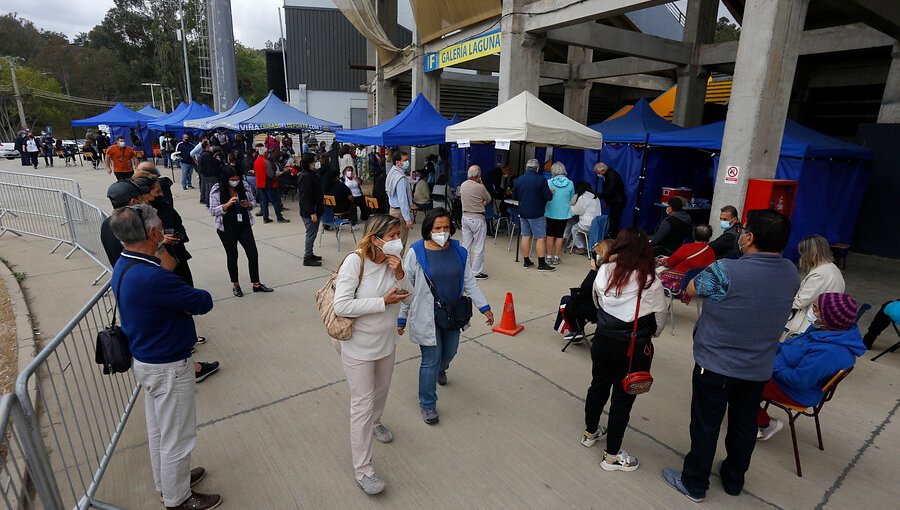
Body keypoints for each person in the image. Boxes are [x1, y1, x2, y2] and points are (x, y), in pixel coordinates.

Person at [662, 209, 800, 503]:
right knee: (744, 424)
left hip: (715, 364)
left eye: (743, 230)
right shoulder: (790, 272)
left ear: (749, 238)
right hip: (758, 366)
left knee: (706, 423)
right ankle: (734, 478)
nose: (739, 234)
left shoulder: (727, 269)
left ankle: (694, 482)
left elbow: (691, 288)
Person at [107, 204, 221, 510]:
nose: (163, 230)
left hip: (148, 360)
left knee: (160, 431)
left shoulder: (125, 263)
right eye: (160, 226)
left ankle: (169, 482)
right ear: (154, 233)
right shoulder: (153, 276)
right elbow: (202, 301)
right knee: (178, 438)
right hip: (168, 366)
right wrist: (169, 273)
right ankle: (177, 498)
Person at [332, 215, 412, 495]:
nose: (396, 241)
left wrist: (401, 274)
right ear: (375, 238)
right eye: (390, 236)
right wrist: (382, 302)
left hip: (386, 342)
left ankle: (377, 421)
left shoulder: (395, 263)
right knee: (362, 405)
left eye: (397, 235)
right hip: (358, 347)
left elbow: (412, 298)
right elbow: (342, 306)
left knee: (382, 391)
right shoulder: (356, 261)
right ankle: (364, 470)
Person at [581, 228, 666, 472]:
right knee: (622, 400)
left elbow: (597, 299)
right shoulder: (649, 281)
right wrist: (652, 334)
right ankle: (612, 455)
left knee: (598, 385)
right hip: (631, 348)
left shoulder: (605, 269)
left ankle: (590, 432)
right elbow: (659, 317)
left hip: (603, 339)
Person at [399, 208, 493, 425]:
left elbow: (469, 281)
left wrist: (484, 306)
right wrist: (401, 318)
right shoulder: (416, 252)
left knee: (450, 351)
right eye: (437, 228)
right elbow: (406, 288)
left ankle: (442, 369)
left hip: (452, 314)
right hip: (426, 315)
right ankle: (428, 403)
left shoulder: (459, 251)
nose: (442, 231)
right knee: (430, 360)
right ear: (428, 229)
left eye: (445, 227)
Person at [757, 292, 866, 441]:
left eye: (815, 308)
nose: (811, 311)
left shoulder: (830, 351)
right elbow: (791, 346)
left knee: (738, 382)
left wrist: (769, 363)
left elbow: (798, 381)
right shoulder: (823, 330)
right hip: (780, 373)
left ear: (829, 318)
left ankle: (764, 424)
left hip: (794, 390)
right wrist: (767, 346)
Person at [208, 167, 274, 297]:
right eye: (232, 180)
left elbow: (254, 202)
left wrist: (248, 205)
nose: (235, 182)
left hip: (244, 225)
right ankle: (236, 284)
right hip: (226, 227)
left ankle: (256, 283)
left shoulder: (244, 186)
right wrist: (226, 205)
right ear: (226, 179)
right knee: (232, 256)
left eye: (237, 179)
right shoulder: (217, 189)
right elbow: (212, 210)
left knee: (253, 254)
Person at [784, 234, 845, 337]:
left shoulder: (820, 274)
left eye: (802, 253)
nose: (801, 257)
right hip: (824, 319)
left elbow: (799, 302)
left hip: (809, 325)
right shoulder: (832, 268)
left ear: (811, 254)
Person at [560, 240, 613, 344]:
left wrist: (593, 270)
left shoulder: (596, 276)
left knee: (567, 301)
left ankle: (576, 330)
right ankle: (598, 333)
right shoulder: (617, 272)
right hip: (610, 312)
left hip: (596, 311)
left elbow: (584, 292)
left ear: (598, 259)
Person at [513, 158, 554, 271]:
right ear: (537, 168)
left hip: (522, 211)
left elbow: (514, 196)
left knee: (526, 236)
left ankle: (526, 261)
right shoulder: (541, 180)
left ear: (526, 168)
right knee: (540, 237)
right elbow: (548, 197)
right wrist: (550, 193)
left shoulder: (519, 180)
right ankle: (541, 263)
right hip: (536, 212)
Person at [657, 224, 716, 295]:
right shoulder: (711, 251)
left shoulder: (687, 247)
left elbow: (669, 263)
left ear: (694, 235)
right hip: (697, 285)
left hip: (679, 285)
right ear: (709, 236)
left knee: (653, 277)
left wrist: (661, 260)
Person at [459, 165, 492, 280]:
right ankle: (476, 272)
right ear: (479, 175)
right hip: (477, 218)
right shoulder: (480, 187)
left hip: (465, 216)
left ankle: (465, 269)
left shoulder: (463, 185)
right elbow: (488, 199)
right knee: (479, 246)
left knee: (466, 245)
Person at [545, 162, 575, 265]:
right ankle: (556, 257)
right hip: (564, 213)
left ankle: (549, 256)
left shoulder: (549, 182)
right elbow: (571, 198)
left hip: (550, 212)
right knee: (559, 235)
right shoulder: (570, 183)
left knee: (549, 235)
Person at [297, 154, 323, 267]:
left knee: (313, 233)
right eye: (313, 162)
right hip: (310, 211)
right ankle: (307, 257)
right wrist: (312, 212)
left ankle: (310, 254)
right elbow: (305, 196)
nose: (314, 164)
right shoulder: (306, 176)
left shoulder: (310, 174)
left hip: (315, 208)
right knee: (310, 234)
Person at [385, 151, 413, 249]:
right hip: (400, 212)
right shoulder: (400, 177)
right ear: (398, 163)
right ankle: (398, 262)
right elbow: (402, 199)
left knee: (393, 241)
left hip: (393, 210)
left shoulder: (392, 173)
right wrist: (407, 218)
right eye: (405, 160)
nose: (407, 162)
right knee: (400, 242)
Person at [254, 148, 290, 223]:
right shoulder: (266, 162)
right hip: (268, 184)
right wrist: (281, 173)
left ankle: (265, 218)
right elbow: (271, 175)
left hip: (260, 184)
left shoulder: (257, 161)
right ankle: (279, 218)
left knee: (264, 202)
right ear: (265, 153)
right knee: (275, 201)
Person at [569, 182, 602, 254]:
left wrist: (569, 208)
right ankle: (585, 245)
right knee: (577, 224)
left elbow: (577, 211)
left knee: (574, 228)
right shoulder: (595, 197)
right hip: (597, 224)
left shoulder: (583, 197)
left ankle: (581, 247)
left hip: (587, 224)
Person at [595, 163, 626, 238]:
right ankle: (613, 234)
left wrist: (597, 195)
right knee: (613, 219)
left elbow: (609, 190)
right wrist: (607, 201)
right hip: (615, 200)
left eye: (597, 172)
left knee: (614, 220)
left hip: (617, 201)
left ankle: (614, 237)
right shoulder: (608, 174)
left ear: (602, 170)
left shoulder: (611, 175)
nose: (597, 174)